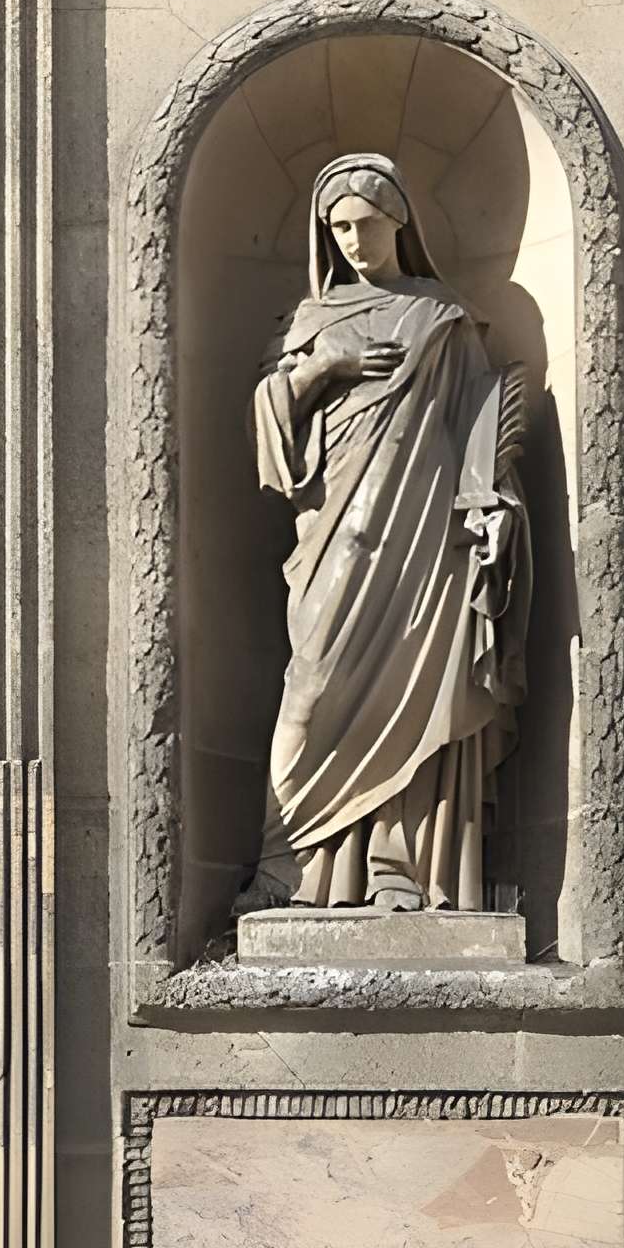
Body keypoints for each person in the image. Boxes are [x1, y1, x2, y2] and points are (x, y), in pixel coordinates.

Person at [241, 152, 529, 916]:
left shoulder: (443, 316)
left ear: (398, 220)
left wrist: (493, 506)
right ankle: (294, 868)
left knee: (418, 688)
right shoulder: (310, 321)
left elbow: (478, 423)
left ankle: (399, 868)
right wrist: (322, 368)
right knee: (312, 687)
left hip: (425, 535)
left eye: (365, 223)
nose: (352, 241)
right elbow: (269, 434)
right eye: (338, 228)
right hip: (335, 534)